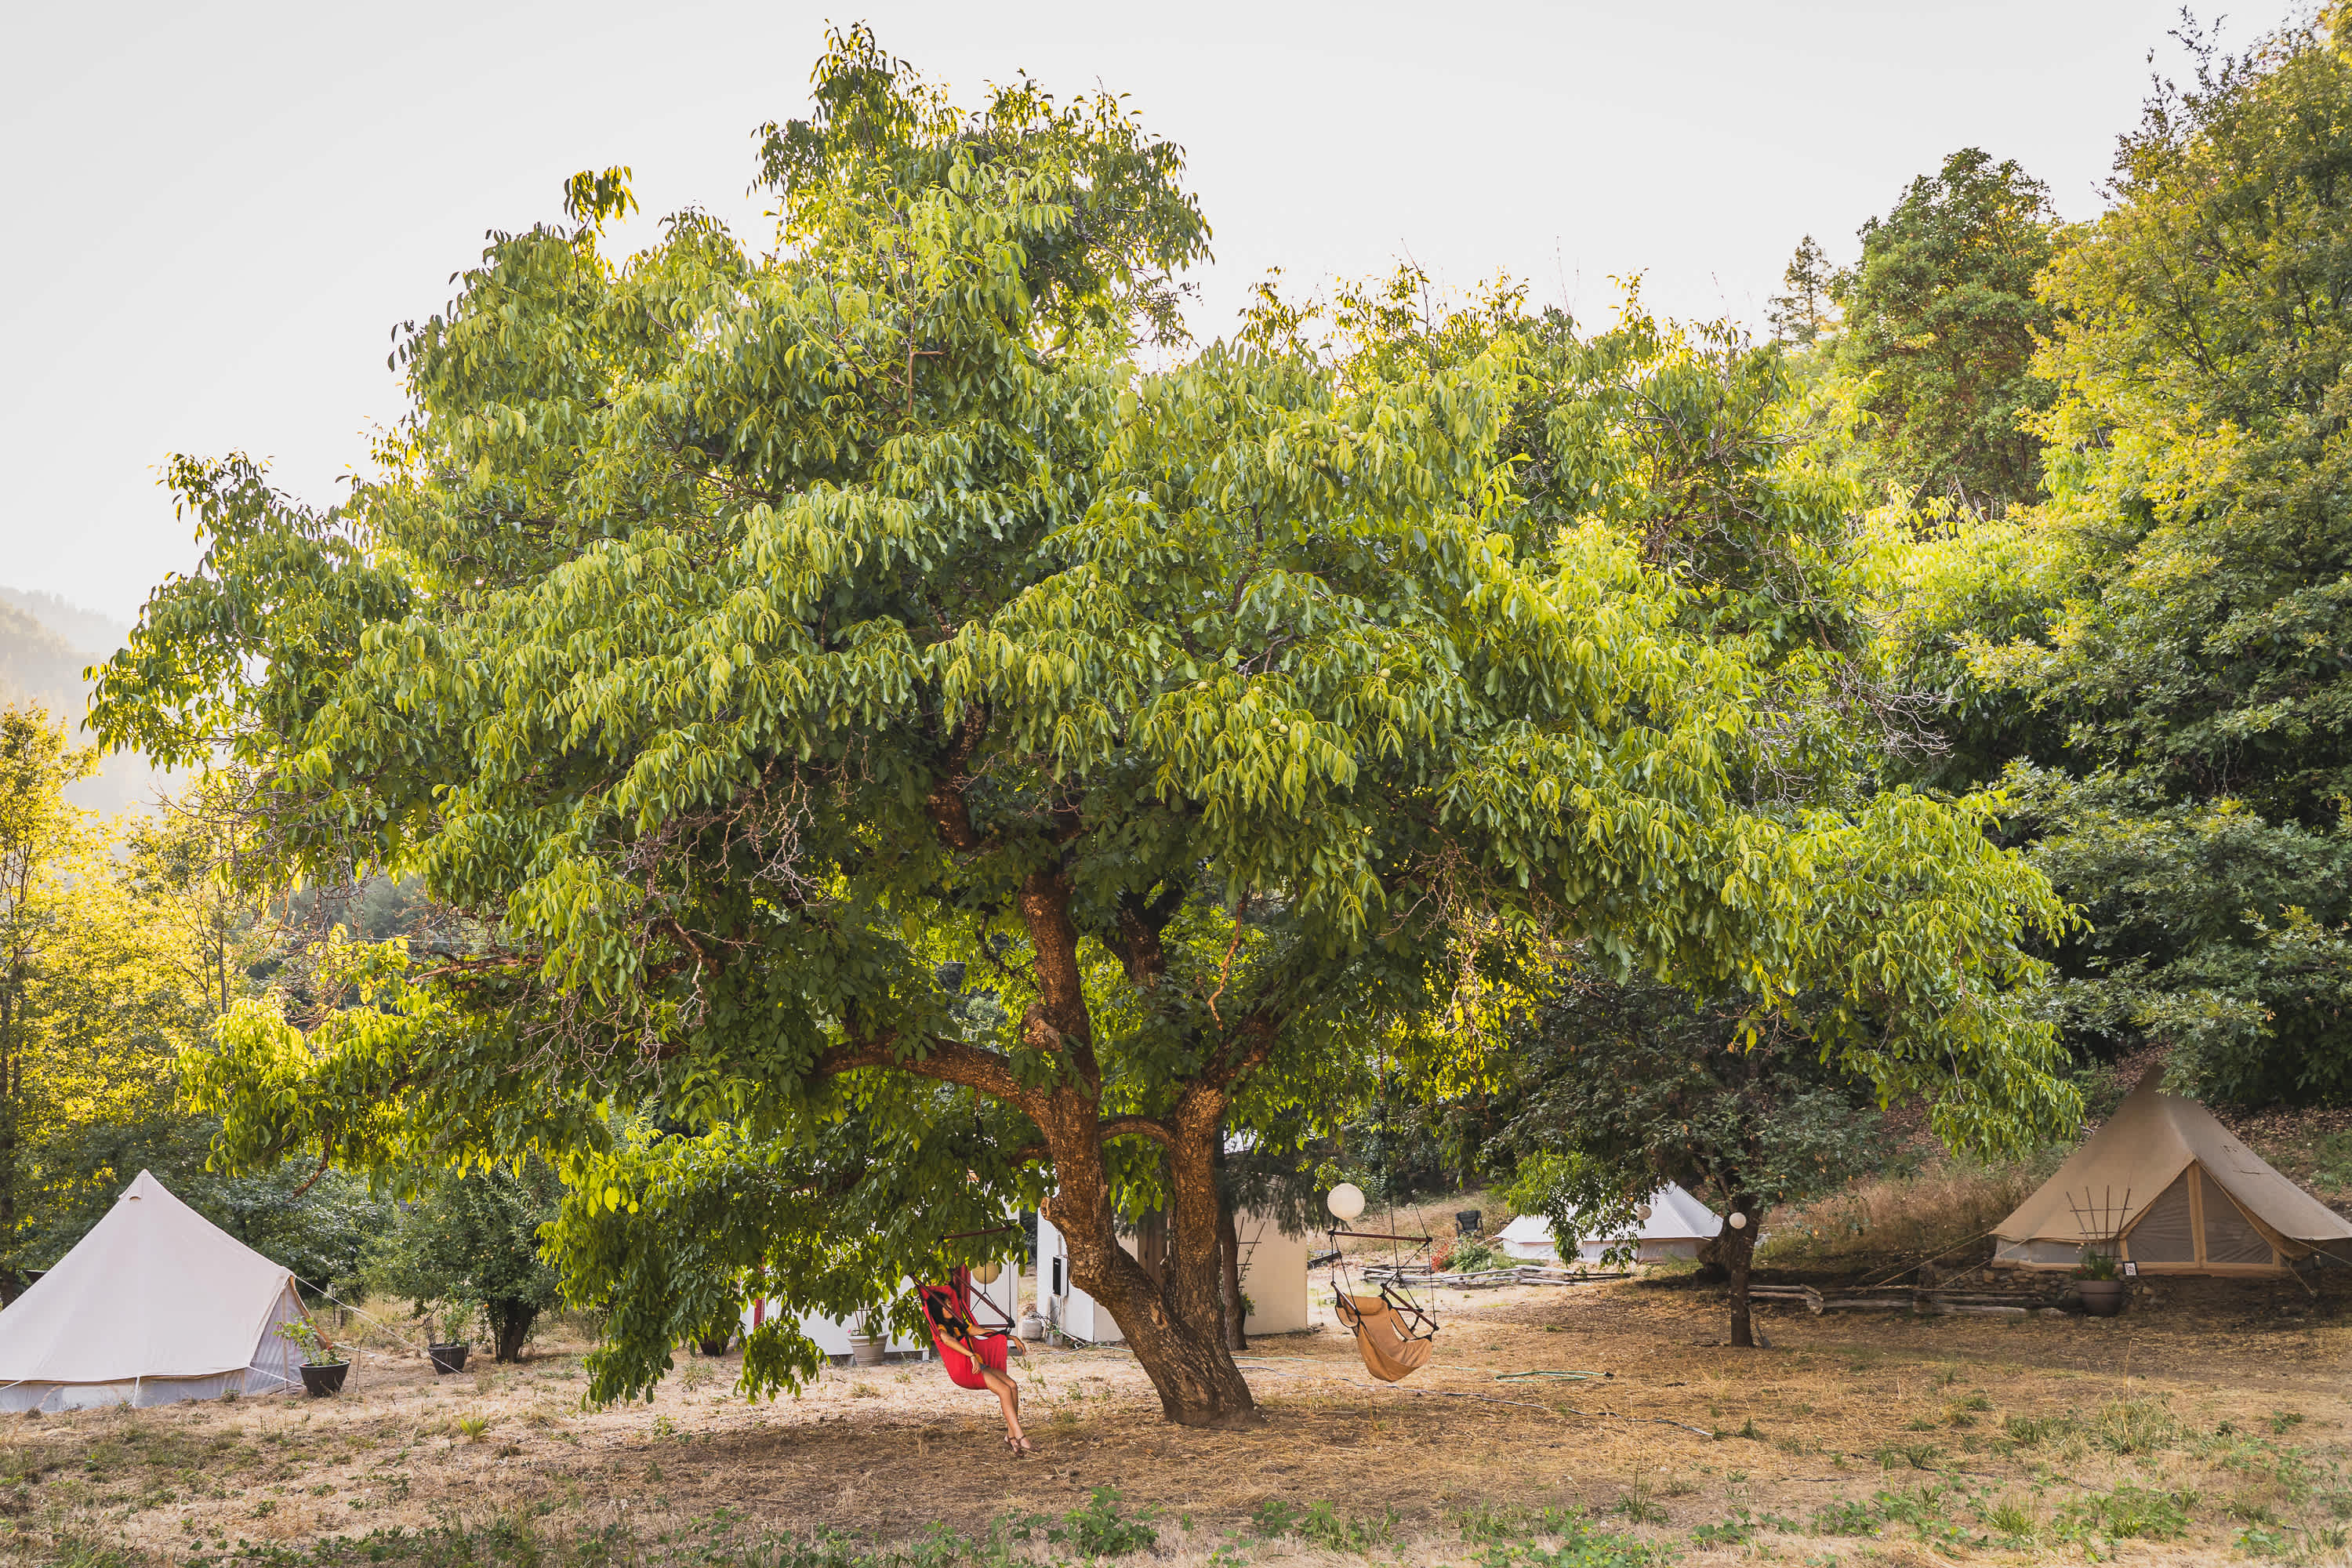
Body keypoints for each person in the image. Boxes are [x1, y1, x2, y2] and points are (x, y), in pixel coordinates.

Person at [916, 1267, 1031, 1455]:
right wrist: (969, 1355)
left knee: (1012, 1386)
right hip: (965, 1370)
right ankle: (1018, 1434)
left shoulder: (959, 1325)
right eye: (948, 1306)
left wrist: (1010, 1338)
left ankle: (1010, 1437)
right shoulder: (941, 1330)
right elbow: (947, 1341)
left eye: (951, 1305)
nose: (952, 1307)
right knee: (1003, 1390)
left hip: (979, 1366)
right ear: (939, 1309)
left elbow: (978, 1330)